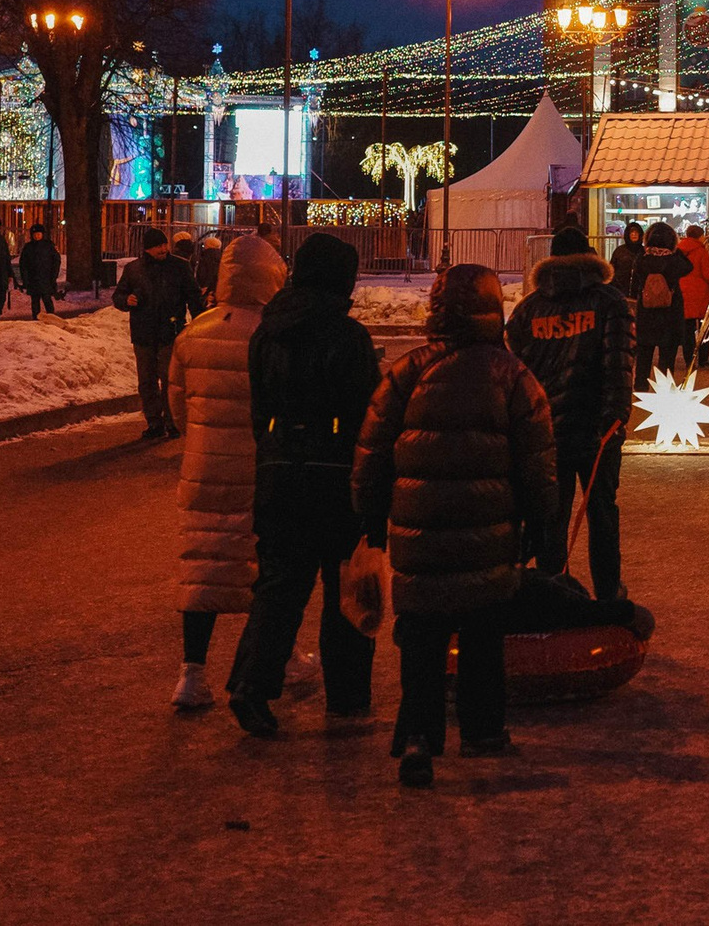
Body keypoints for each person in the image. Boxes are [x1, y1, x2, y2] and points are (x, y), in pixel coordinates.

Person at [354, 263, 559, 789]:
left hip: (417, 534)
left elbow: (371, 454)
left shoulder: (407, 372)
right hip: (488, 536)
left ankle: (420, 737)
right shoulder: (513, 375)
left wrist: (374, 519)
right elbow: (538, 463)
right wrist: (542, 528)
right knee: (482, 635)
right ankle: (482, 730)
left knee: (421, 639)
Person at [228, 231, 381, 736]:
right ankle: (348, 694)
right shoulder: (348, 337)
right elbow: (366, 418)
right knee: (347, 586)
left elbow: (259, 411)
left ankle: (251, 684)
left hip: (279, 473)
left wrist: (274, 453)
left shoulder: (267, 333)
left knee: (279, 586)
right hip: (336, 476)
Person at [165, 233, 285, 712]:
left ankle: (191, 674)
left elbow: (178, 406)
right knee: (267, 569)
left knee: (202, 570)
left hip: (204, 469)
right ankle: (275, 658)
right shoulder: (275, 333)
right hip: (262, 468)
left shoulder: (194, 334)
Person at [505, 228, 635, 601]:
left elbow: (516, 368)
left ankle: (552, 592)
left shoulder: (529, 308)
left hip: (547, 431)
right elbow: (619, 363)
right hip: (598, 430)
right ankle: (608, 592)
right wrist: (615, 416)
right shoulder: (610, 302)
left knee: (552, 516)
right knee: (602, 513)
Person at [114, 228, 204, 441]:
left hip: (170, 332)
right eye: (157, 246)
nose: (163, 249)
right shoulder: (133, 269)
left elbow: (193, 296)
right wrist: (126, 301)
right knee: (146, 380)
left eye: (164, 245)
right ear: (147, 249)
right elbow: (118, 295)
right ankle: (154, 422)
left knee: (169, 379)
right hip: (143, 333)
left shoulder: (179, 267)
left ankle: (173, 421)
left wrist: (200, 322)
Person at [630, 221, 695, 379]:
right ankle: (664, 390)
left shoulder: (642, 259)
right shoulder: (674, 261)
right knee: (667, 356)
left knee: (644, 356)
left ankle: (641, 387)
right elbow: (688, 267)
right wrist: (676, 251)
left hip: (647, 314)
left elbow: (635, 281)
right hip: (670, 314)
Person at [677, 224, 709, 368]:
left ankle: (689, 360)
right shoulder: (701, 251)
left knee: (687, 330)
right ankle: (703, 358)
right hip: (701, 294)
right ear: (700, 236)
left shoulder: (678, 250)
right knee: (703, 328)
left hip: (683, 293)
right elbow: (708, 274)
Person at [18, 222, 60, 318]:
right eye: (35, 234)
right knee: (35, 301)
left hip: (46, 278)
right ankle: (36, 319)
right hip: (33, 279)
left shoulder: (49, 246)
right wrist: (25, 278)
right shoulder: (28, 247)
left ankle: (51, 318)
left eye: (38, 234)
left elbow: (56, 261)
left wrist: (53, 275)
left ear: (42, 234)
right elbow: (23, 264)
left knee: (47, 299)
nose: (37, 236)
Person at [610, 221, 647, 300]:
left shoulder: (644, 252)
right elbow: (612, 268)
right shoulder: (619, 251)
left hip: (639, 292)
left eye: (636, 232)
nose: (634, 234)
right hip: (620, 290)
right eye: (631, 232)